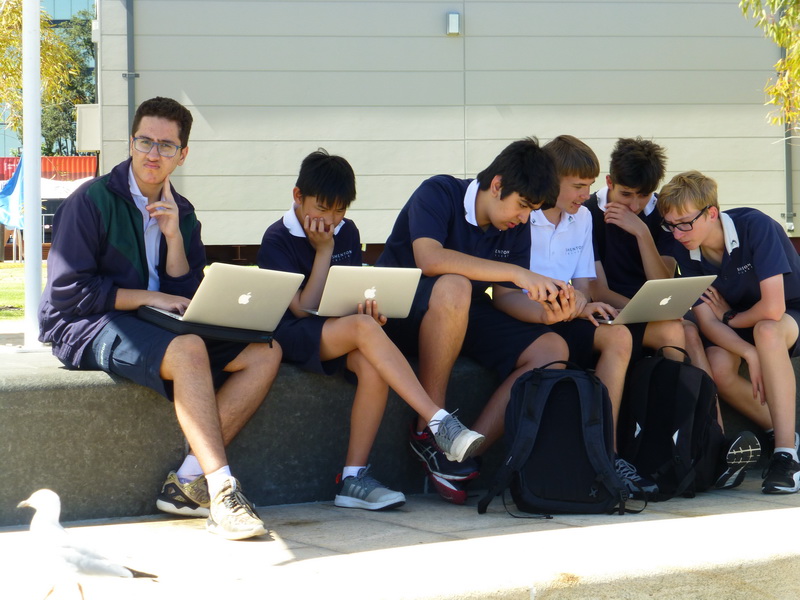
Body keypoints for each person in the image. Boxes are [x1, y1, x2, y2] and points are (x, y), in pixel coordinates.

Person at [38, 97, 273, 540]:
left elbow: (185, 298)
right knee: (189, 349)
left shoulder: (182, 212)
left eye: (166, 146)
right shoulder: (91, 201)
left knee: (265, 352)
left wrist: (174, 240)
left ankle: (188, 483)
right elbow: (69, 292)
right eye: (145, 141)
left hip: (153, 320)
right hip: (83, 323)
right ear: (130, 142)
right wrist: (151, 297)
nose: (153, 154)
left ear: (183, 154)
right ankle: (224, 491)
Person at [257, 149, 484, 510]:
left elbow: (347, 292)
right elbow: (302, 308)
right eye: (322, 208)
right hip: (292, 335)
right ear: (298, 196)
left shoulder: (348, 232)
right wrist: (323, 251)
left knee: (371, 365)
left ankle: (353, 477)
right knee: (362, 330)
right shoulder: (277, 238)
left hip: (338, 329)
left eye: (340, 210)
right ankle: (437, 420)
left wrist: (366, 310)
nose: (331, 219)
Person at [376, 137, 570, 503]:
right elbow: (429, 258)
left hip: (459, 313)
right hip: (396, 310)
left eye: (532, 211)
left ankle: (461, 454)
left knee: (552, 347)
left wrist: (549, 311)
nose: (524, 217)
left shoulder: (514, 225)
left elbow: (508, 296)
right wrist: (515, 273)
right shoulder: (438, 192)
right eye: (522, 205)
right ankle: (430, 431)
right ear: (497, 185)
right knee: (455, 286)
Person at [492, 134, 655, 495]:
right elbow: (506, 292)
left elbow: (584, 283)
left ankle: (606, 456)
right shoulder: (521, 216)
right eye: (578, 186)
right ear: (552, 180)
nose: (585, 196)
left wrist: (584, 304)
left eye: (590, 187)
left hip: (567, 315)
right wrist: (569, 305)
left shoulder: (581, 219)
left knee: (618, 335)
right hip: (526, 319)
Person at [657, 171, 798, 494]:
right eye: (670, 225)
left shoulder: (755, 226)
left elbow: (773, 307)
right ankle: (781, 433)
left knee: (766, 331)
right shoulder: (686, 249)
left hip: (790, 313)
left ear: (711, 213)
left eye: (684, 223)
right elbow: (707, 322)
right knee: (718, 367)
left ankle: (786, 456)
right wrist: (748, 353)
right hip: (743, 324)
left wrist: (731, 317)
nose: (678, 234)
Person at [584, 137, 687, 362]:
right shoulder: (587, 214)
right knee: (674, 332)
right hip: (613, 311)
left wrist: (642, 233)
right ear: (610, 182)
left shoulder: (662, 211)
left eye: (643, 195)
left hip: (656, 310)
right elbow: (598, 291)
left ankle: (703, 397)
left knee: (691, 334)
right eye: (626, 194)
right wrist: (653, 315)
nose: (634, 206)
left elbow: (662, 285)